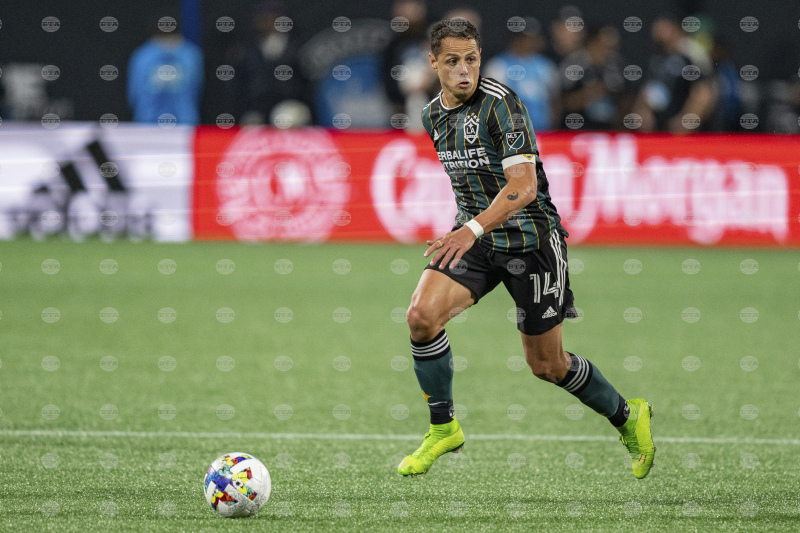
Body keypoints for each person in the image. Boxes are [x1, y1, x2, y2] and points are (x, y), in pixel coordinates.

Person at [397, 18, 655, 479]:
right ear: (433, 62)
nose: (463, 70)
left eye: (471, 59)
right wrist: (469, 229)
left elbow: (524, 187)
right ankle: (443, 428)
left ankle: (627, 415)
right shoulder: (432, 114)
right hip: (478, 239)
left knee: (547, 365)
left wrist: (469, 229)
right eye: (452, 61)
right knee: (421, 317)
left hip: (531, 241)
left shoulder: (502, 105)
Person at [633, 14, 716, 133]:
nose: (656, 31)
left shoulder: (692, 55)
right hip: (658, 129)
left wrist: (687, 120)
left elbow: (703, 92)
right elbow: (648, 87)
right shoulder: (657, 58)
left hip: (682, 132)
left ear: (675, 29)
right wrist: (642, 110)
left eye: (663, 26)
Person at [484, 17, 559, 132]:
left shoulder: (545, 65)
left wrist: (554, 126)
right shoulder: (498, 65)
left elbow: (555, 100)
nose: (533, 42)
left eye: (535, 38)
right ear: (516, 39)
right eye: (527, 38)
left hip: (542, 130)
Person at [127, 17, 204, 125]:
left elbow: (133, 94)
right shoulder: (191, 54)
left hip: (149, 124)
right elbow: (198, 89)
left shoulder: (142, 56)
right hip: (183, 124)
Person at [559, 25, 626, 130]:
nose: (610, 51)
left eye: (613, 47)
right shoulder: (574, 64)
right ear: (593, 43)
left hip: (608, 129)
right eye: (606, 46)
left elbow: (624, 98)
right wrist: (587, 95)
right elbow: (561, 102)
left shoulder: (614, 65)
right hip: (576, 129)